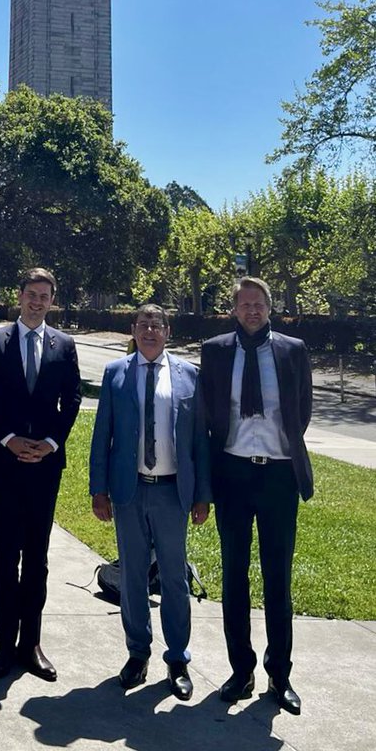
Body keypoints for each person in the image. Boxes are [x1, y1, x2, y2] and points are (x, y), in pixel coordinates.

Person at [200, 277, 313, 715]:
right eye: (244, 304)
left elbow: (301, 410)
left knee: (277, 579)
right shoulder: (214, 351)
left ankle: (279, 675)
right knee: (234, 576)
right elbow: (210, 409)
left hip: (279, 477)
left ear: (270, 308)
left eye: (258, 304)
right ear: (234, 310)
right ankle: (240, 670)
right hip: (232, 473)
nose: (252, 310)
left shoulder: (292, 350)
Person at [89, 304, 211, 699]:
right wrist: (98, 489)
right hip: (129, 490)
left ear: (168, 331)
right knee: (133, 576)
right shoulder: (115, 374)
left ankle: (177, 659)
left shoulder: (189, 376)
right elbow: (102, 434)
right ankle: (137, 653)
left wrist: (202, 496)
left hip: (172, 492)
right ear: (133, 329)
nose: (150, 331)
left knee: (174, 578)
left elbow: (199, 442)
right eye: (144, 325)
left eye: (157, 325)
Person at [0, 268, 81, 682]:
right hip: (4, 465)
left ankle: (31, 644)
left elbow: (72, 397)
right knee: (5, 554)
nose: (37, 301)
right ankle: (4, 644)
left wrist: (51, 443)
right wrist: (7, 439)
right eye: (31, 294)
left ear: (52, 300)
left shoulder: (65, 344)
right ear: (18, 296)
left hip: (45, 467)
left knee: (37, 557)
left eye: (45, 296)